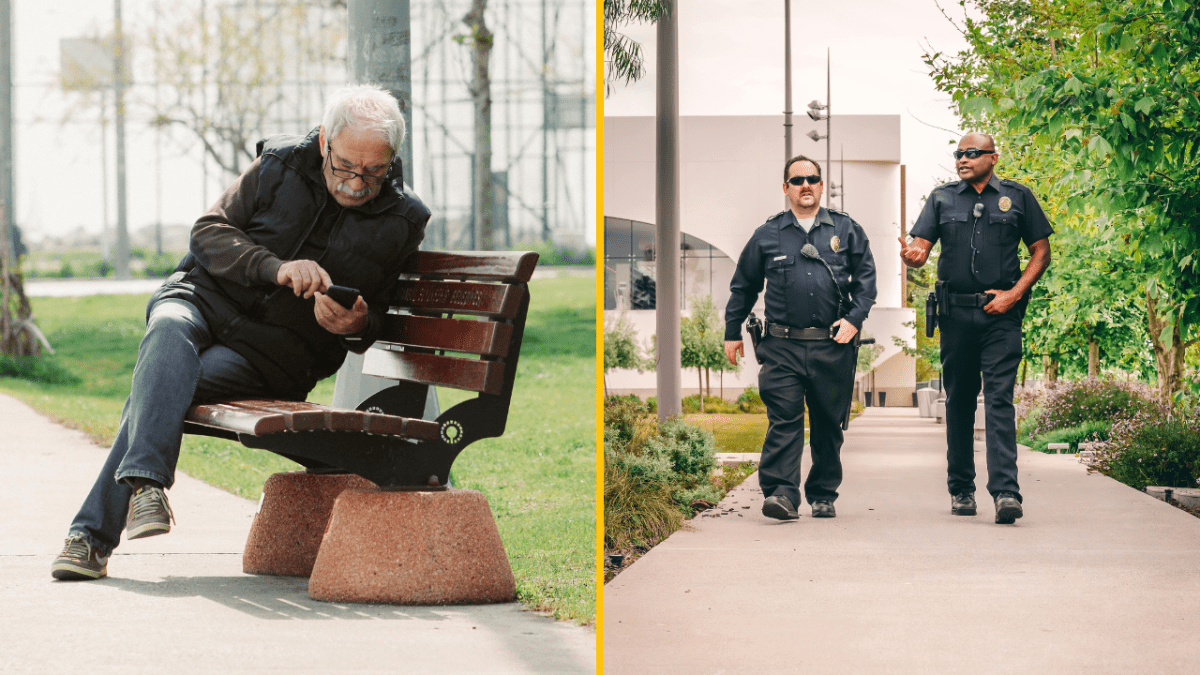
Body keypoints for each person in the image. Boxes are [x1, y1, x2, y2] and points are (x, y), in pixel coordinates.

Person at [51, 85, 430, 580]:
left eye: (374, 172)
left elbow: (379, 316)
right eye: (346, 166)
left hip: (267, 358)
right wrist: (273, 268)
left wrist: (357, 324)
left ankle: (95, 533)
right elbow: (209, 231)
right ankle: (138, 493)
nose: (357, 184)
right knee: (167, 332)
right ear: (324, 145)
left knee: (162, 383)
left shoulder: (405, 219)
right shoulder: (279, 166)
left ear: (392, 160)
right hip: (199, 302)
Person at [901, 132, 1052, 525]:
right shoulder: (941, 198)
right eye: (958, 154)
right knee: (960, 401)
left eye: (971, 153)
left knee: (999, 399)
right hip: (955, 317)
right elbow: (920, 249)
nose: (963, 159)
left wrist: (1015, 294)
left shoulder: (1018, 197)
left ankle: (1006, 493)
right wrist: (913, 257)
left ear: (993, 157)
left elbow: (1041, 251)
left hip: (1001, 315)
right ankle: (961, 489)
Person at [724, 155, 877, 521]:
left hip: (833, 345)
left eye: (812, 179)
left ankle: (823, 493)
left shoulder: (846, 230)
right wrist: (732, 332)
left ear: (821, 185)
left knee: (827, 424)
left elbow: (867, 283)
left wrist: (854, 320)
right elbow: (743, 286)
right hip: (782, 346)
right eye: (797, 180)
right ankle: (781, 494)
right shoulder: (768, 234)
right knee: (785, 418)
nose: (805, 185)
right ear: (786, 188)